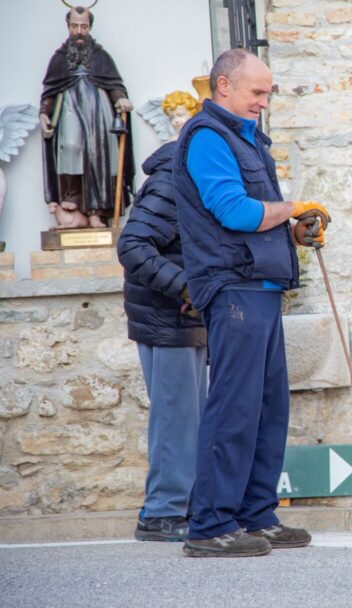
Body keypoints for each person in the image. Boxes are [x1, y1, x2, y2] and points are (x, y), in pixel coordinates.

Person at [173, 48, 329, 557]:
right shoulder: (207, 137)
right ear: (223, 87)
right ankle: (210, 525)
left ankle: (254, 516)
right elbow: (234, 211)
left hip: (259, 288)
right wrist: (291, 209)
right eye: (256, 92)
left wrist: (294, 230)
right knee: (234, 409)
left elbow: (258, 218)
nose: (264, 101)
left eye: (268, 92)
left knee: (267, 408)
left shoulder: (244, 136)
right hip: (234, 289)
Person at [117, 99, 206, 541]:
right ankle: (161, 513)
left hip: (183, 317)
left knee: (190, 417)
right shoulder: (173, 178)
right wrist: (187, 287)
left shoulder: (191, 173)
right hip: (165, 316)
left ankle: (181, 507)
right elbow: (133, 247)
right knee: (176, 417)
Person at [39, 6, 134, 229]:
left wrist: (120, 98)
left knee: (98, 156)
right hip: (69, 109)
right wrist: (44, 112)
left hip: (97, 115)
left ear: (89, 27)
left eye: (83, 26)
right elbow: (50, 91)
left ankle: (96, 213)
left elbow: (114, 85)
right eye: (75, 26)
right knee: (70, 147)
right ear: (68, 26)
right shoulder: (59, 59)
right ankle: (72, 202)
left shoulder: (101, 56)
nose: (79, 31)